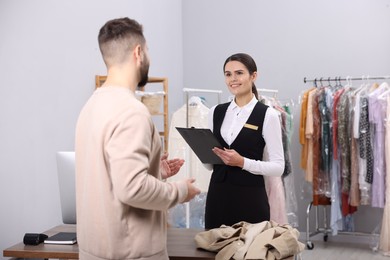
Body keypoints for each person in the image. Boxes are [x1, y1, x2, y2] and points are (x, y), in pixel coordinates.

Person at [75, 17, 200, 260]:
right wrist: (180, 191)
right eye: (148, 50)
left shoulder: (92, 105)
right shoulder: (132, 111)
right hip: (131, 254)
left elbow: (112, 177)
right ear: (138, 52)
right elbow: (131, 188)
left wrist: (153, 171)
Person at [204, 53, 285, 229]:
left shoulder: (267, 114)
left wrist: (242, 162)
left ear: (253, 76)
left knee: (249, 253)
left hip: (250, 198)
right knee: (214, 253)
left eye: (239, 73)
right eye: (228, 74)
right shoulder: (215, 112)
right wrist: (203, 152)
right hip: (217, 197)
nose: (233, 79)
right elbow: (210, 166)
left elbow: (278, 167)